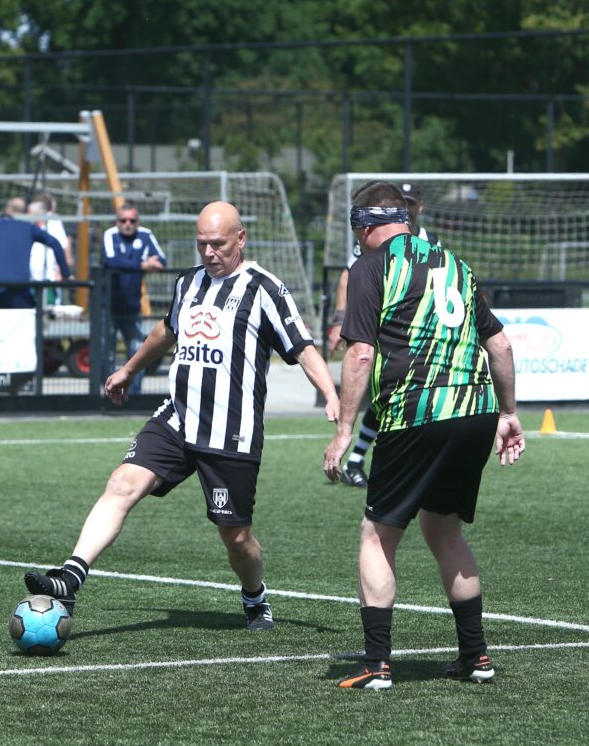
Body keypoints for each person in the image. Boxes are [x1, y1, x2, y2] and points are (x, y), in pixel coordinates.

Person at [25, 202, 339, 631]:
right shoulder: (189, 283)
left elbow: (302, 346)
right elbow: (165, 331)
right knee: (122, 482)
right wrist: (129, 369)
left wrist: (329, 393)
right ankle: (71, 577)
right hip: (176, 417)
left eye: (219, 244)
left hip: (231, 431)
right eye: (202, 244)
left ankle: (255, 596)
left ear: (240, 239)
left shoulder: (263, 288)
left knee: (237, 538)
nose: (209, 253)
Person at [324, 181, 524, 690]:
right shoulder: (454, 262)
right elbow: (499, 344)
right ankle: (476, 658)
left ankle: (376, 663)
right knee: (444, 529)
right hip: (475, 409)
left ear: (365, 224)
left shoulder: (370, 265)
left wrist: (344, 429)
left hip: (416, 413)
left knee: (378, 534)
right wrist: (508, 413)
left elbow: (360, 354)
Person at [327, 181, 438, 487]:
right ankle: (360, 461)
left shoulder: (432, 242)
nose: (409, 208)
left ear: (419, 207)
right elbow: (348, 276)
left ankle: (364, 460)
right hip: (392, 333)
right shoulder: (371, 251)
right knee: (385, 395)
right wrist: (340, 319)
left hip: (424, 340)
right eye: (405, 203)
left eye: (412, 203)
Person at [101, 203, 167, 395]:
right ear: (117, 221)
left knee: (138, 351)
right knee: (107, 353)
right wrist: (142, 265)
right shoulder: (110, 235)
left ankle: (134, 394)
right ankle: (109, 394)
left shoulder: (145, 234)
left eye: (132, 220)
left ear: (137, 221)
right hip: (109, 306)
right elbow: (111, 261)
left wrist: (147, 265)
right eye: (123, 220)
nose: (128, 224)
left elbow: (161, 260)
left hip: (132, 306)